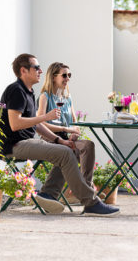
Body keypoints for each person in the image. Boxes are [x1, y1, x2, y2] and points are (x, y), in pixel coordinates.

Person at [0, 53, 120, 217]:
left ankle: (48, 194)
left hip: (25, 142)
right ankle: (91, 202)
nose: (41, 71)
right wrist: (46, 117)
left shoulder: (28, 92)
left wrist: (59, 140)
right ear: (23, 70)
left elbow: (36, 124)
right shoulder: (16, 90)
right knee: (65, 153)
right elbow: (15, 124)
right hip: (13, 145)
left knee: (69, 150)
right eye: (36, 67)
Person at [37, 62, 95, 199]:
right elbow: (40, 123)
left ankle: (86, 188)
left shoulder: (68, 98)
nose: (68, 78)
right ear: (53, 77)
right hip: (50, 138)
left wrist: (74, 133)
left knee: (88, 145)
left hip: (67, 138)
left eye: (69, 75)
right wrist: (64, 128)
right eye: (64, 75)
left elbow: (75, 122)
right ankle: (84, 193)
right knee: (68, 152)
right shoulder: (45, 96)